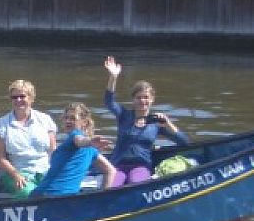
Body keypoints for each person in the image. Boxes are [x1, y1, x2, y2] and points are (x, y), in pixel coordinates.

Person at [104, 56, 190, 186]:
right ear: (133, 100)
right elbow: (109, 102)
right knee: (112, 187)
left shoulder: (156, 123)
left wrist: (168, 124)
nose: (142, 101)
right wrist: (113, 76)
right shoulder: (124, 115)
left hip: (141, 166)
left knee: (136, 184)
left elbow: (184, 142)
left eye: (146, 97)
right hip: (118, 165)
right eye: (139, 98)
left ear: (152, 99)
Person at [31, 103, 116, 196]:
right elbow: (110, 171)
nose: (68, 121)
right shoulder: (92, 150)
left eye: (72, 118)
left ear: (84, 122)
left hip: (47, 196)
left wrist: (89, 141)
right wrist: (103, 197)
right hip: (68, 198)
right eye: (66, 118)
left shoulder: (74, 137)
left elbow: (79, 140)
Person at [0, 80, 57, 199]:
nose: (18, 100)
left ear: (31, 98)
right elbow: (0, 158)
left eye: (22, 96)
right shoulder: (2, 124)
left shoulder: (45, 120)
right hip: (16, 173)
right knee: (29, 193)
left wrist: (54, 172)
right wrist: (15, 174)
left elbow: (53, 151)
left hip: (44, 171)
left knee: (58, 192)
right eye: (14, 97)